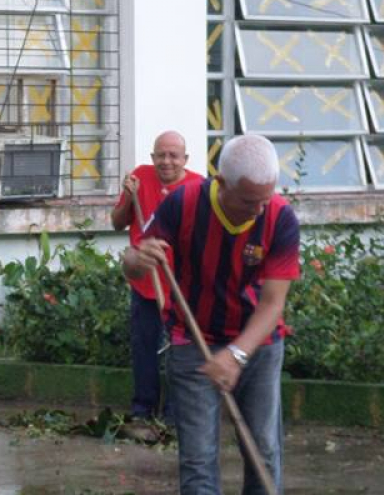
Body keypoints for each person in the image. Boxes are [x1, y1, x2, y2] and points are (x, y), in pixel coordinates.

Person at [123, 134, 299, 495]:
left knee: (263, 451)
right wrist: (136, 260)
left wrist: (236, 356)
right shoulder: (183, 204)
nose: (260, 209)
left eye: (265, 198)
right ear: (221, 184)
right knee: (198, 460)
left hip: (259, 345)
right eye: (251, 201)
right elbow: (134, 263)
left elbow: (272, 305)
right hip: (193, 342)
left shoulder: (280, 217)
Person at [110, 130, 202, 439]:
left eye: (174, 155)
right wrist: (129, 196)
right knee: (144, 349)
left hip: (181, 288)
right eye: (161, 155)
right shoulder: (139, 178)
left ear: (185, 159)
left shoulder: (198, 187)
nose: (167, 161)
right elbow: (117, 222)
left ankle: (174, 418)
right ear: (152, 157)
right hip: (144, 284)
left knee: (180, 352)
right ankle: (142, 412)